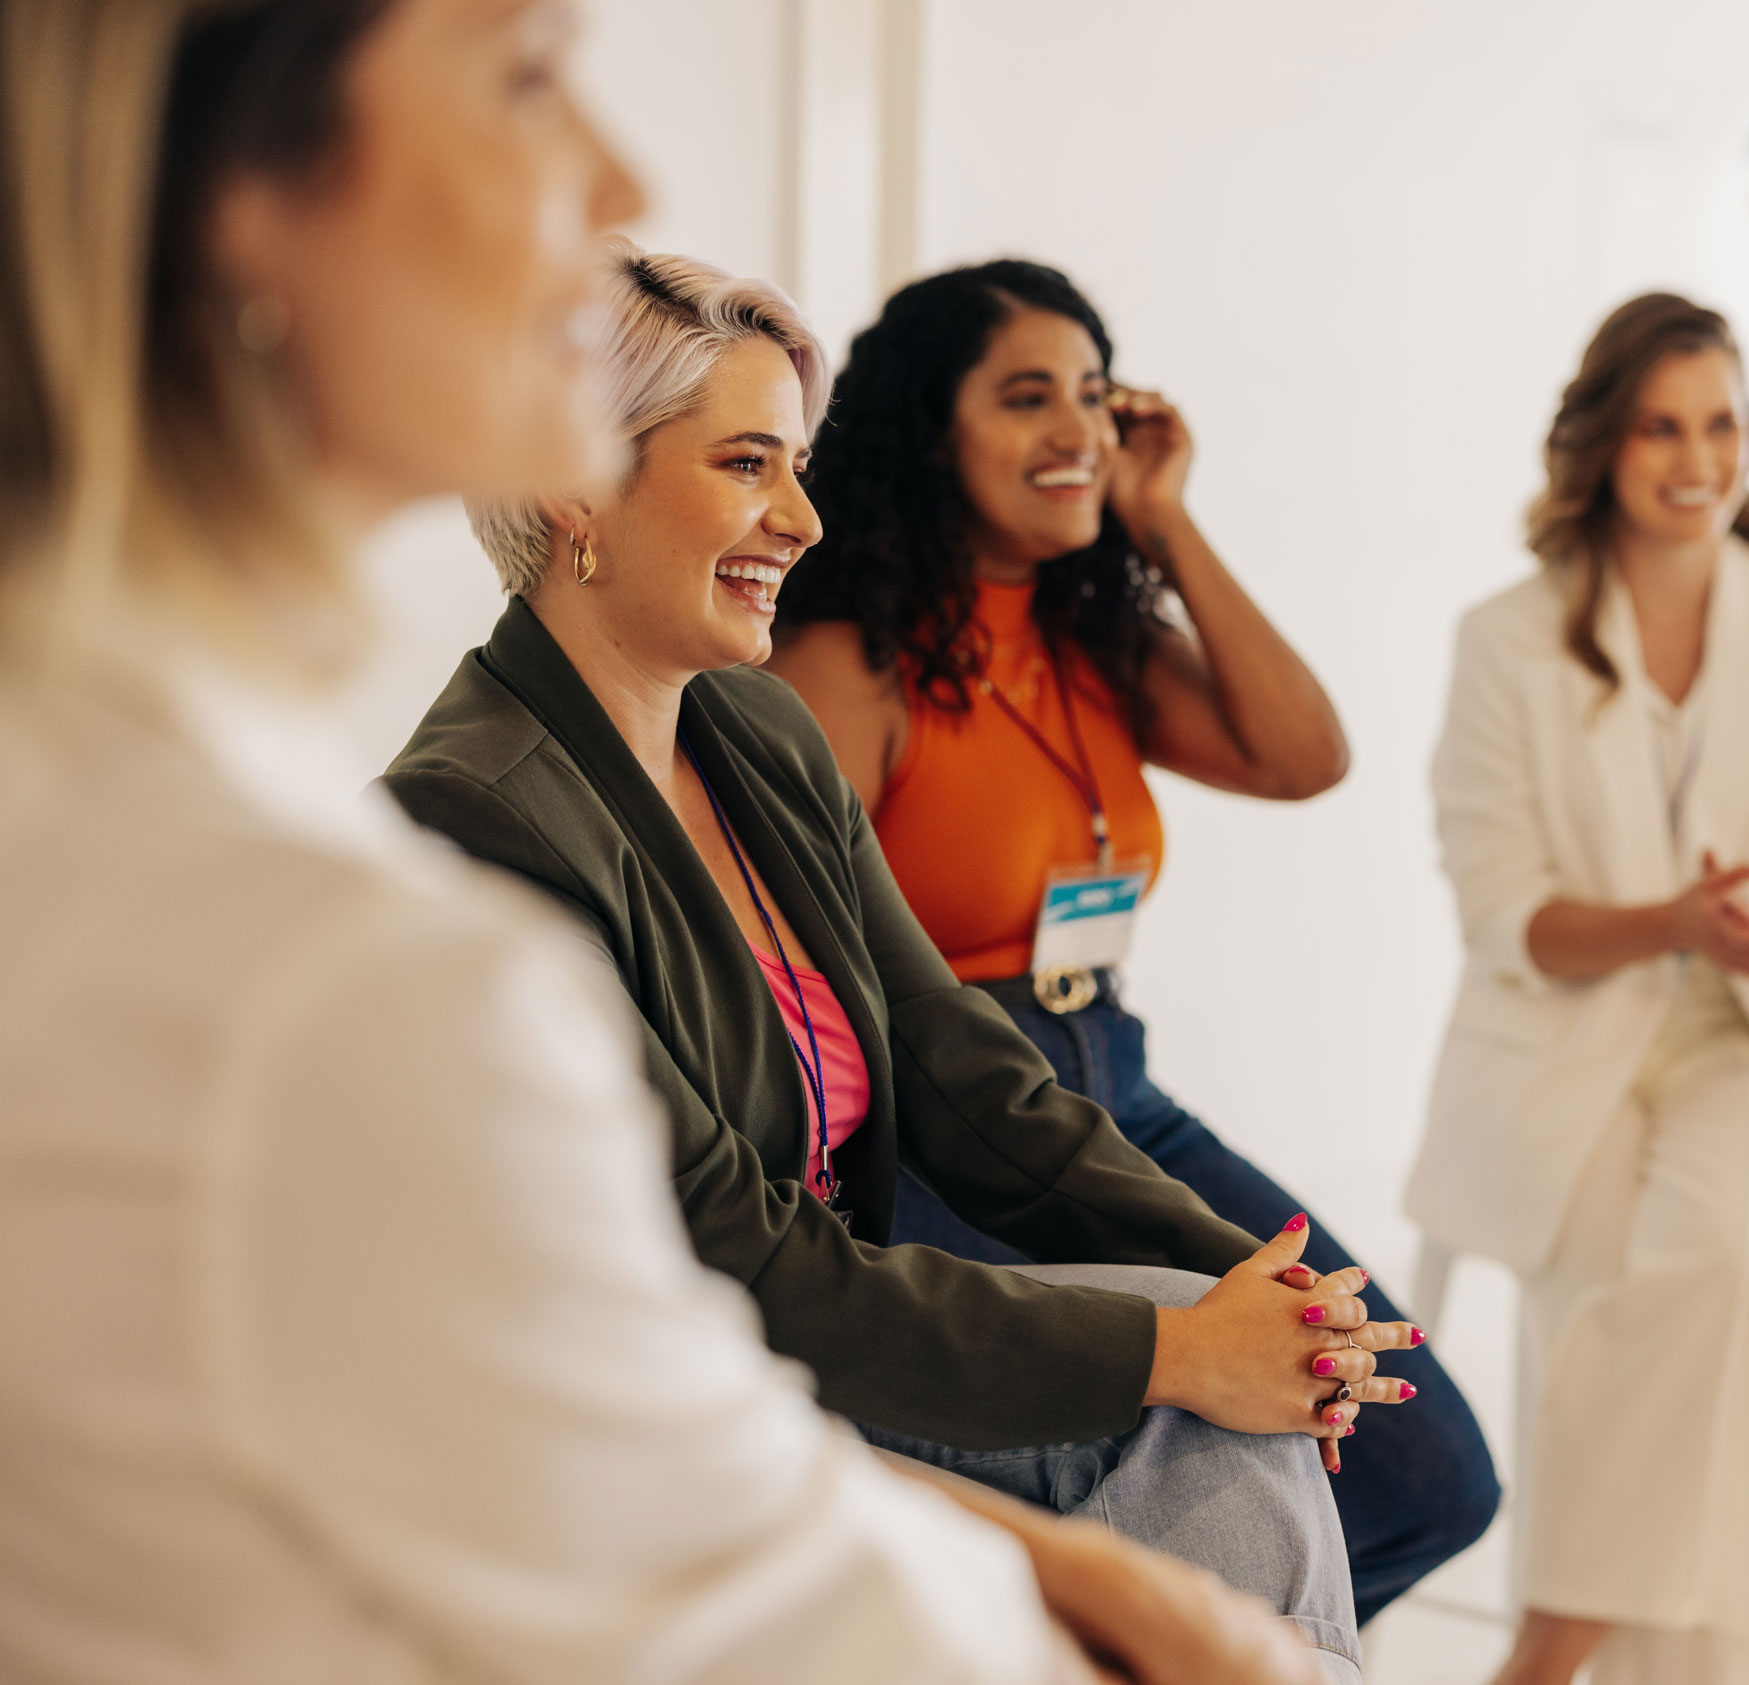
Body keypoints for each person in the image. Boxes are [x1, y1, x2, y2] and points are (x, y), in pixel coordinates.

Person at [0, 3, 1328, 1682]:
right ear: (244, 176)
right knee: (1234, 1489)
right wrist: (1160, 1595)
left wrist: (1240, 1301)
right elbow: (731, 1513)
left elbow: (944, 1104)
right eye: (527, 77)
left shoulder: (717, 742)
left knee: (1251, 1452)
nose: (615, 173)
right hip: (778, 1412)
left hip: (767, 1415)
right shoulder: (385, 936)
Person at [383, 241, 1419, 1680]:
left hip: (804, 1354)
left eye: (797, 464)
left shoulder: (750, 729)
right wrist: (1181, 1348)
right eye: (749, 461)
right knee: (1202, 1412)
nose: (800, 517)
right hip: (664, 1410)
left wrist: (1259, 1281)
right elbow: (732, 1258)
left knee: (1234, 1411)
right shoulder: (480, 808)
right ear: (575, 483)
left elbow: (961, 1070)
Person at [768, 258, 1500, 1622]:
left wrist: (1164, 518)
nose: (1077, 431)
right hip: (950, 1124)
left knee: (1421, 1468)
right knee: (1120, 1486)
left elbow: (1305, 753)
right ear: (933, 428)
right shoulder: (845, 662)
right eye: (1028, 396)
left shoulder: (1089, 633)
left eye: (1096, 398)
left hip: (1117, 1086)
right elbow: (779, 966)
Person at [1405, 293, 1749, 1685]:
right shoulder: (1509, 638)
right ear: (1603, 443)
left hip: (1747, 1034)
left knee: (1722, 1261)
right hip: (1557, 1047)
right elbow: (1505, 914)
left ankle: (1547, 1655)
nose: (1699, 457)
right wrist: (1667, 918)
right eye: (1663, 424)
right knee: (1664, 1307)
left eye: (1724, 422)